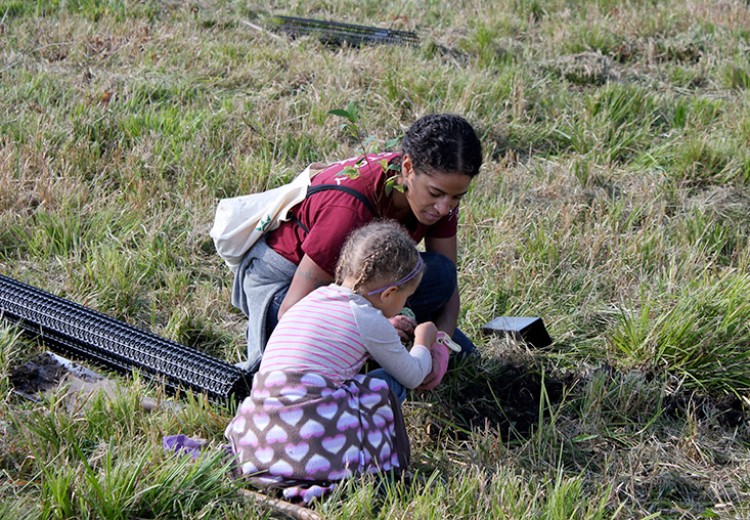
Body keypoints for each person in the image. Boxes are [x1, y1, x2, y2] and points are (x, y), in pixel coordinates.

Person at [231, 113, 483, 372]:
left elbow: (447, 284)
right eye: (436, 193)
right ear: (407, 167)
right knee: (374, 375)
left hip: (359, 288)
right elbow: (292, 312)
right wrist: (373, 328)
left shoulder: (439, 199)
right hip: (284, 290)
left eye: (456, 197)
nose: (444, 208)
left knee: (449, 305)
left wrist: (441, 344)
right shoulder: (349, 208)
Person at [225, 221, 449, 503]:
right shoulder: (368, 319)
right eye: (407, 296)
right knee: (388, 383)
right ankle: (355, 456)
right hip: (312, 438)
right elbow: (414, 375)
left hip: (260, 435)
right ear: (389, 294)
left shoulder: (313, 300)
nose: (406, 302)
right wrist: (424, 340)